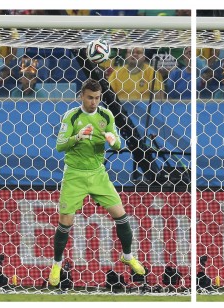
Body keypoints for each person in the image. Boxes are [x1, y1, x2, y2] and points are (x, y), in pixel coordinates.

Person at [49, 79, 144, 286]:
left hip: (98, 173)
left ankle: (127, 256)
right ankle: (56, 264)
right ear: (81, 96)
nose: (94, 102)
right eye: (90, 97)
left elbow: (118, 144)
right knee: (66, 222)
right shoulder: (72, 116)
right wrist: (78, 137)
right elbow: (59, 145)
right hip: (74, 174)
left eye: (97, 98)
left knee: (121, 215)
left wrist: (113, 141)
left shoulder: (106, 115)